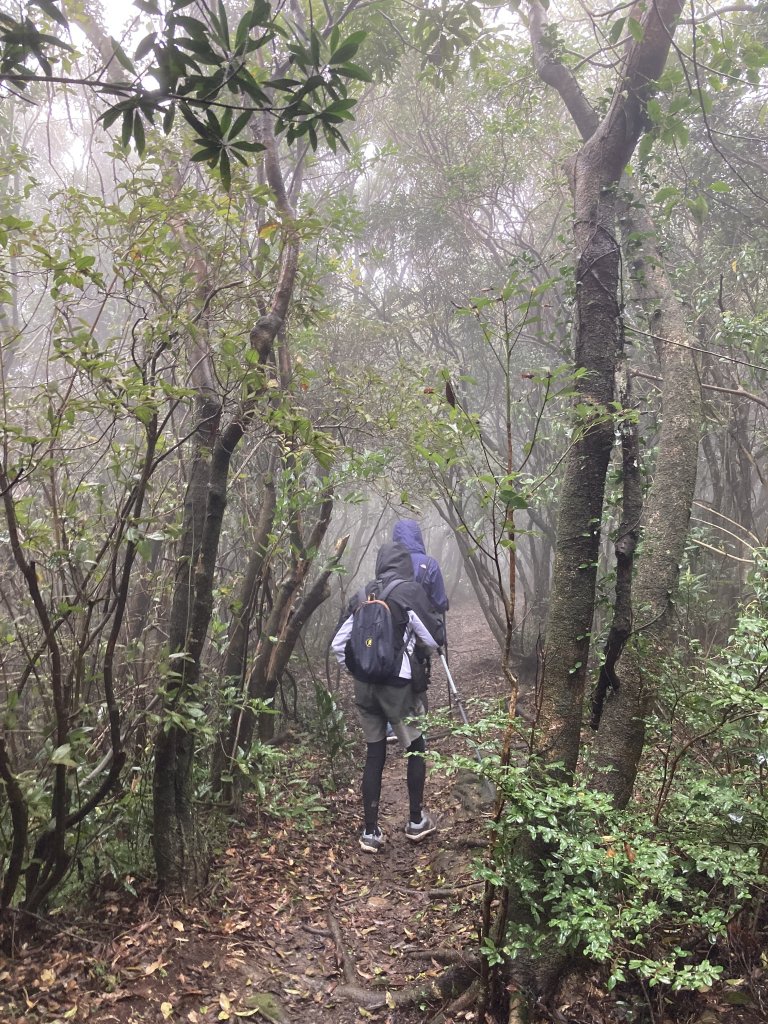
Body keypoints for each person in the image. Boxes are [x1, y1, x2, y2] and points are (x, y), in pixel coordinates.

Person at [331, 541, 443, 853]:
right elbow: (434, 639)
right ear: (405, 564)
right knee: (416, 748)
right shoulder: (409, 591)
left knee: (374, 753)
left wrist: (359, 670)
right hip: (398, 689)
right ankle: (416, 821)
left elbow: (338, 644)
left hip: (365, 687)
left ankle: (370, 832)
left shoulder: (362, 593)